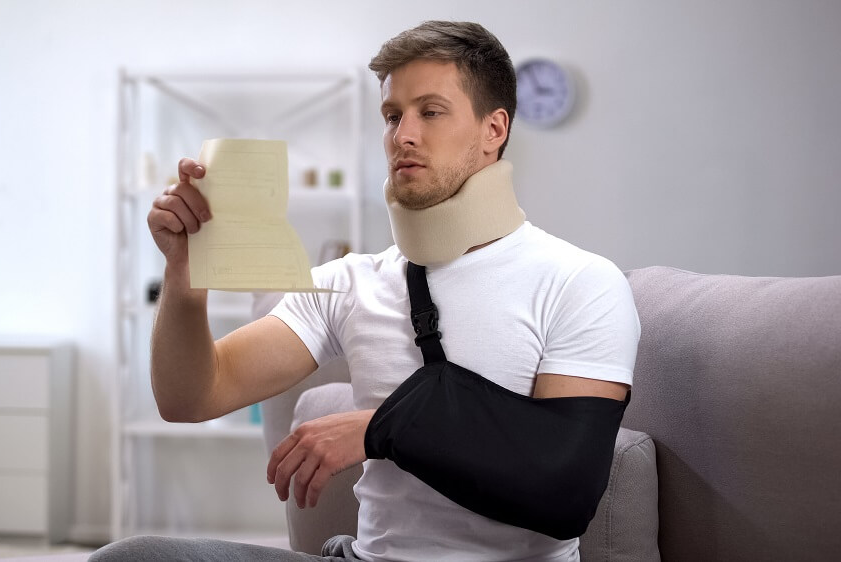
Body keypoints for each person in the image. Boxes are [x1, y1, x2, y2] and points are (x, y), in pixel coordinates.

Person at [91, 20, 639, 562]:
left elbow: (566, 491)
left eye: (430, 112)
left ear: (494, 129)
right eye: (392, 115)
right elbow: (190, 398)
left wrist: (382, 428)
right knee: (133, 558)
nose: (403, 135)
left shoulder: (580, 282)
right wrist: (184, 276)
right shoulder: (349, 283)